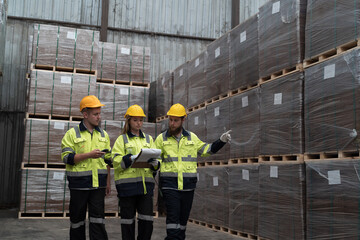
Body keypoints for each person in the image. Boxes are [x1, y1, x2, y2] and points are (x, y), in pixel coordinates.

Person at [154, 103, 231, 240]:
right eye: (170, 120)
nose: (172, 123)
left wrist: (221, 141)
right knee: (173, 223)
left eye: (175, 120)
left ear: (183, 120)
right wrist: (154, 164)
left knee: (182, 224)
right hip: (170, 186)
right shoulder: (161, 139)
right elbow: (155, 159)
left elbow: (207, 150)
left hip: (188, 187)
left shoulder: (191, 138)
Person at [61, 95, 112, 240]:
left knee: (98, 220)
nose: (98, 117)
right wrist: (88, 155)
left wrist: (108, 182)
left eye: (99, 114)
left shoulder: (104, 135)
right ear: (85, 114)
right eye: (95, 114)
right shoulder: (72, 134)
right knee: (77, 221)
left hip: (98, 186)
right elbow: (66, 158)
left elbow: (108, 160)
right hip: (79, 185)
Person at [111, 104, 160, 240]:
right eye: (135, 120)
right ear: (129, 121)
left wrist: (156, 165)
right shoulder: (122, 140)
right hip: (127, 188)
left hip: (145, 188)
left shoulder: (149, 139)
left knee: (147, 222)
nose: (139, 123)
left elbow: (155, 159)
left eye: (141, 120)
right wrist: (128, 159)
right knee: (127, 223)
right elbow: (115, 160)